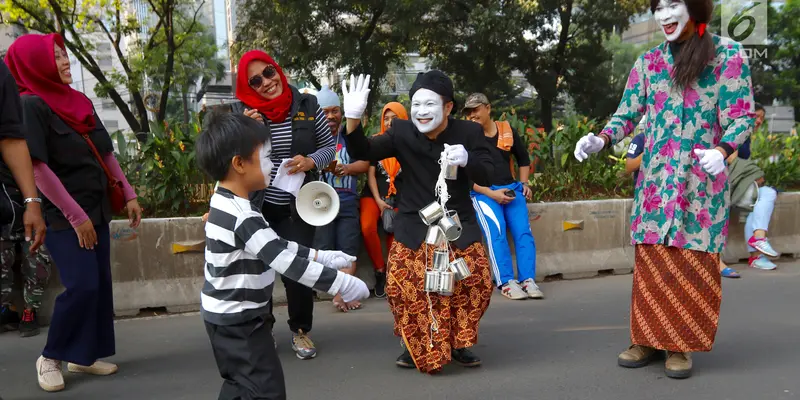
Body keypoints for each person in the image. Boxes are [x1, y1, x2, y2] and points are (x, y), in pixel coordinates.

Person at [573, 0, 754, 379]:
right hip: (656, 187)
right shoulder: (650, 62)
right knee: (652, 267)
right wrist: (602, 140)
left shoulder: (727, 55)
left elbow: (740, 116)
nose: (664, 14)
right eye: (658, 7)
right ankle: (646, 340)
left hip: (701, 187)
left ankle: (679, 345)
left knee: (691, 268)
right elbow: (627, 113)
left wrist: (723, 150)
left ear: (696, 7)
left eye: (674, 4)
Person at [197, 111, 368, 400]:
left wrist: (322, 256)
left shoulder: (225, 202)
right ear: (239, 164)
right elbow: (284, 261)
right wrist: (341, 284)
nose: (273, 165)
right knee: (266, 391)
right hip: (240, 320)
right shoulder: (243, 216)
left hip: (226, 316)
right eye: (265, 158)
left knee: (242, 385)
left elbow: (276, 244)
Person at [6, 33, 142, 392]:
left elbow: (106, 152)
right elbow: (37, 168)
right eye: (56, 57)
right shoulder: (30, 105)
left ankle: (82, 356)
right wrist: (75, 216)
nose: (65, 62)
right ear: (36, 64)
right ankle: (50, 356)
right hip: (62, 214)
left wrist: (128, 193)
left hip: (97, 206)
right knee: (82, 285)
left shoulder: (79, 100)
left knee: (98, 286)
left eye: (65, 55)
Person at [341, 72, 495, 374]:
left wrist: (468, 161)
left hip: (457, 222)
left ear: (448, 107)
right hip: (414, 222)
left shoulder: (469, 133)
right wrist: (353, 119)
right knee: (402, 286)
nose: (421, 111)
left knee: (475, 282)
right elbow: (364, 152)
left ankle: (459, 341)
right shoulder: (401, 132)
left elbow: (489, 175)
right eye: (416, 104)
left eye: (430, 104)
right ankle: (414, 344)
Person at [231, 50, 336, 360]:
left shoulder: (307, 104)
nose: (266, 82)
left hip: (297, 207)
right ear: (247, 86)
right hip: (257, 207)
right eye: (255, 80)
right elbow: (232, 161)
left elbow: (329, 147)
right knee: (257, 273)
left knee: (298, 270)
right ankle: (261, 332)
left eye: (269, 72)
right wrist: (244, 132)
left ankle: (301, 331)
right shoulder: (242, 112)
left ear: (278, 69)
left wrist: (310, 161)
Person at [463, 93, 543, 300]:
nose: (472, 115)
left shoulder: (507, 130)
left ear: (488, 108)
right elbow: (462, 176)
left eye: (476, 110)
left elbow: (523, 159)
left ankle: (528, 280)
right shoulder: (466, 137)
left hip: (511, 188)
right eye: (468, 112)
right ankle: (506, 282)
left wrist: (524, 184)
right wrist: (491, 193)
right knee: (496, 232)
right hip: (483, 193)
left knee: (523, 233)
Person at [0, 58, 48, 336]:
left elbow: (17, 144)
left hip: (20, 193)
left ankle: (30, 309)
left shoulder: (30, 104)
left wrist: (33, 200)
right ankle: (7, 308)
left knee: (34, 254)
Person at [313, 85, 369, 312]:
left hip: (347, 200)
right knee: (325, 252)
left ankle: (344, 294)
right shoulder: (313, 138)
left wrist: (346, 168)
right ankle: (338, 294)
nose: (330, 116)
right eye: (324, 112)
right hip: (319, 204)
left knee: (348, 251)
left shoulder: (350, 136)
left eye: (335, 111)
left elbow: (365, 163)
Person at [359, 102, 407, 298]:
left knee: (393, 232)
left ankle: (394, 276)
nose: (388, 123)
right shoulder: (377, 141)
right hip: (373, 195)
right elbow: (371, 174)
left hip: (398, 197)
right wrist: (378, 200)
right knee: (367, 226)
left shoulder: (410, 143)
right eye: (385, 119)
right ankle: (380, 270)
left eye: (393, 119)